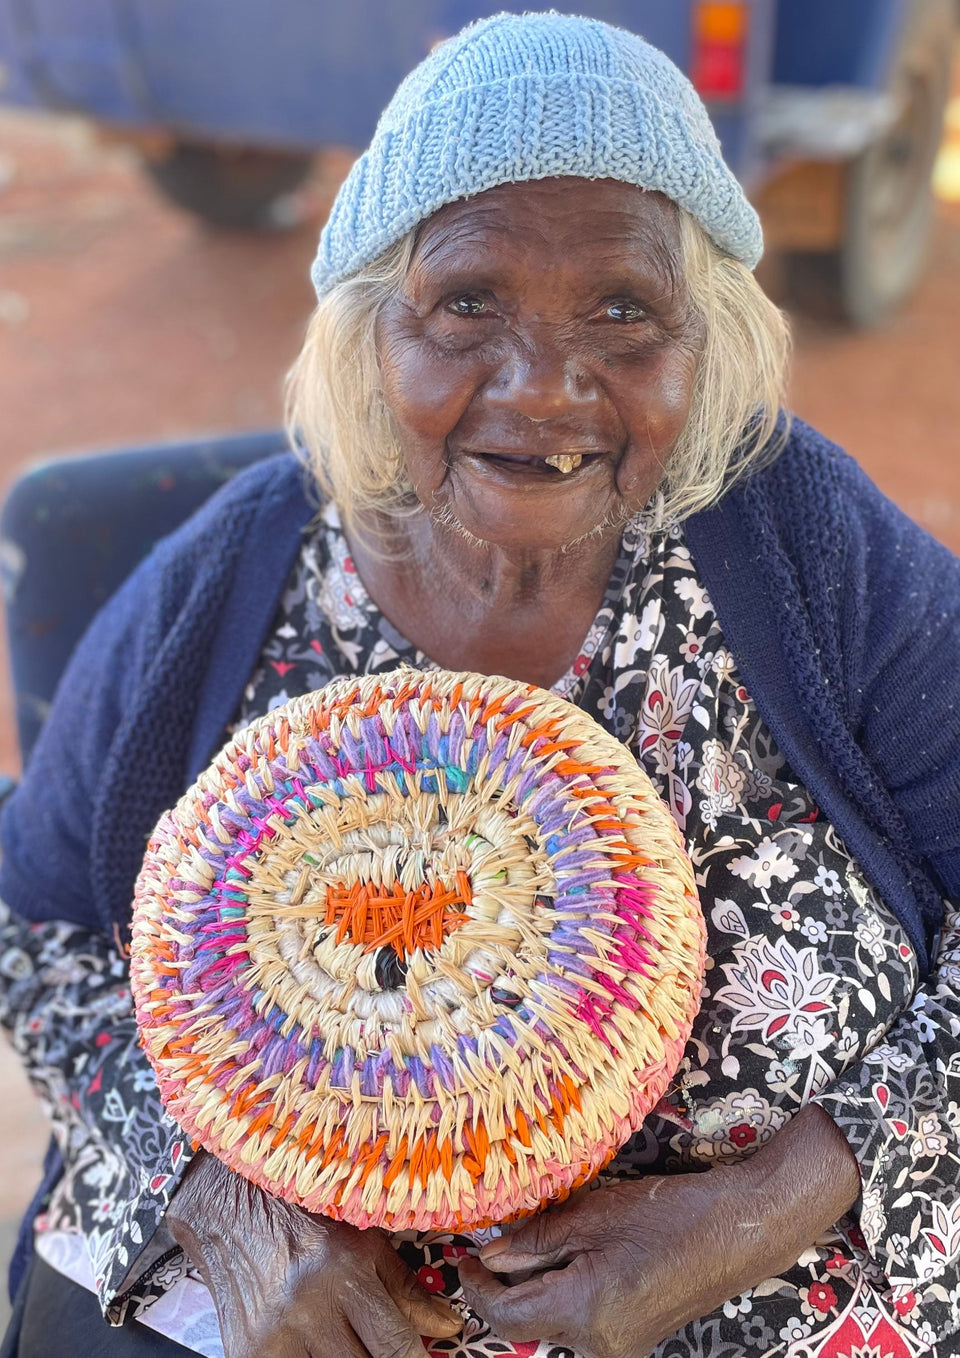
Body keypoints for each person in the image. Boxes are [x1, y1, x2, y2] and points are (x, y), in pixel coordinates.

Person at [2, 10, 960, 1358]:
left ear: (712, 341)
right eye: (467, 303)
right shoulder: (240, 574)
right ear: (371, 331)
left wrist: (762, 1203)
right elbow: (34, 920)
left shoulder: (799, 544)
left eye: (626, 310)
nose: (544, 385)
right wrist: (214, 1187)